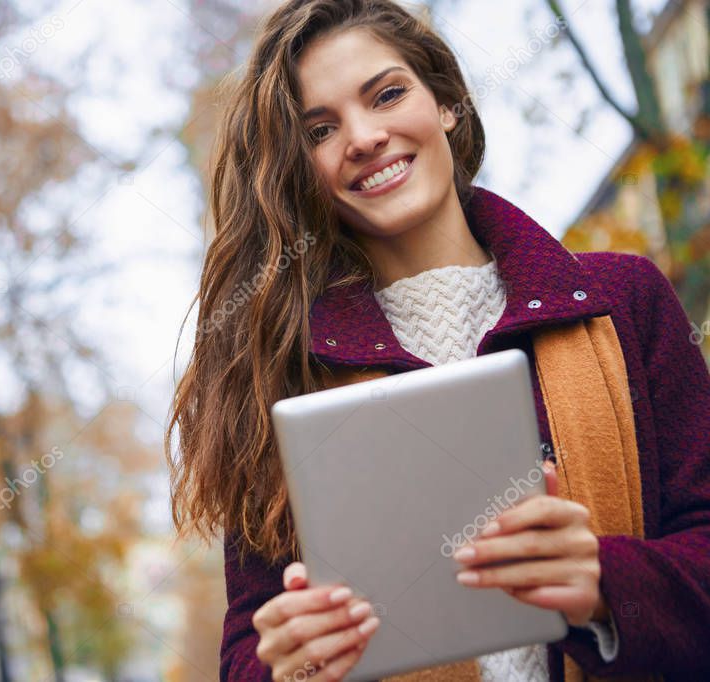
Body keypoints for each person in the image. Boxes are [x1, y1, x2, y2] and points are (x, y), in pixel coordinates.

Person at [164, 1, 710, 680]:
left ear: (446, 101)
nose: (362, 137)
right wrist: (286, 665)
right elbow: (249, 649)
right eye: (320, 130)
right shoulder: (284, 377)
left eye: (387, 94)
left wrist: (605, 585)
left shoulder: (623, 301)